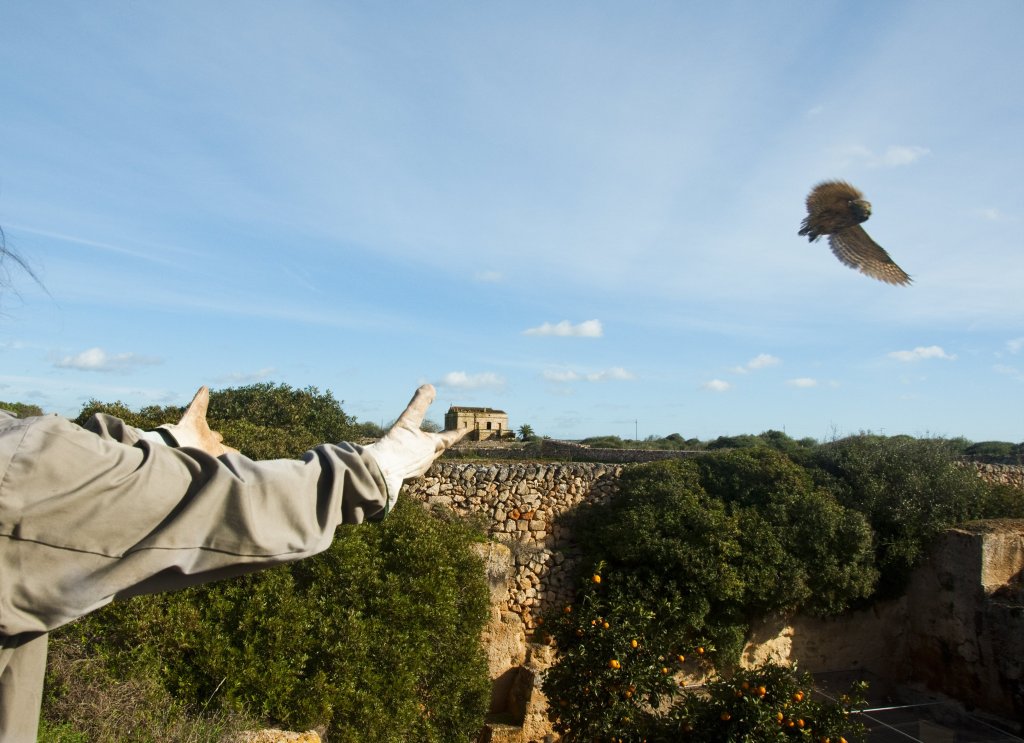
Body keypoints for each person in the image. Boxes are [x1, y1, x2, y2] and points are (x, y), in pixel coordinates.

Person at [0, 377, 466, 741]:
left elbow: (58, 465)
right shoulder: (13, 468)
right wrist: (376, 470)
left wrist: (165, 444)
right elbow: (219, 508)